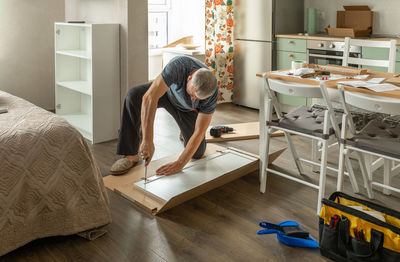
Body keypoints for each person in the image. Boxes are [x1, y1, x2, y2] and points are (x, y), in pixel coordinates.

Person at [110, 56, 218, 176]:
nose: (193, 99)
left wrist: (180, 163)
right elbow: (149, 97)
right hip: (166, 94)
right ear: (189, 78)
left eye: (197, 98)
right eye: (192, 94)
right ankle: (130, 155)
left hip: (187, 110)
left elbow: (199, 131)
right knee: (134, 96)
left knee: (197, 153)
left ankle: (184, 131)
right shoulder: (179, 66)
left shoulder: (212, 95)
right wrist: (147, 140)